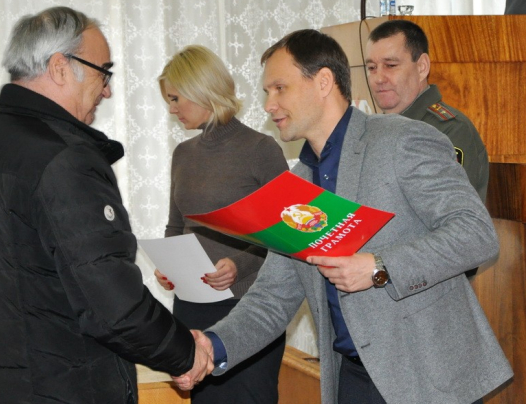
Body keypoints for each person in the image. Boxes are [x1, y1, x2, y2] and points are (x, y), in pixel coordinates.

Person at [175, 29, 513, 403]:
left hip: (429, 380)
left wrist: (378, 267)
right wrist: (212, 345)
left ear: (323, 82)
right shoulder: (296, 185)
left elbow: (475, 233)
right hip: (351, 380)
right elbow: (272, 297)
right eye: (267, 92)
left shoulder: (402, 140)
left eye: (279, 88)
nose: (269, 105)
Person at [0, 6, 211, 404]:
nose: (107, 90)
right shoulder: (62, 160)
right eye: (103, 72)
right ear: (60, 67)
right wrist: (184, 353)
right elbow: (111, 302)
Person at [155, 45, 288, 403]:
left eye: (175, 98)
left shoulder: (261, 150)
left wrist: (239, 264)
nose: (172, 109)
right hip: (191, 306)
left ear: (202, 90)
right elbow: (176, 225)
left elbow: (287, 234)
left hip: (248, 309)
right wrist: (168, 266)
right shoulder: (183, 154)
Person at [365, 19, 489, 203]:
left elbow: (447, 208)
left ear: (422, 67)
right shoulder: (371, 130)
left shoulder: (449, 131)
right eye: (372, 68)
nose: (379, 78)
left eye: (390, 65)